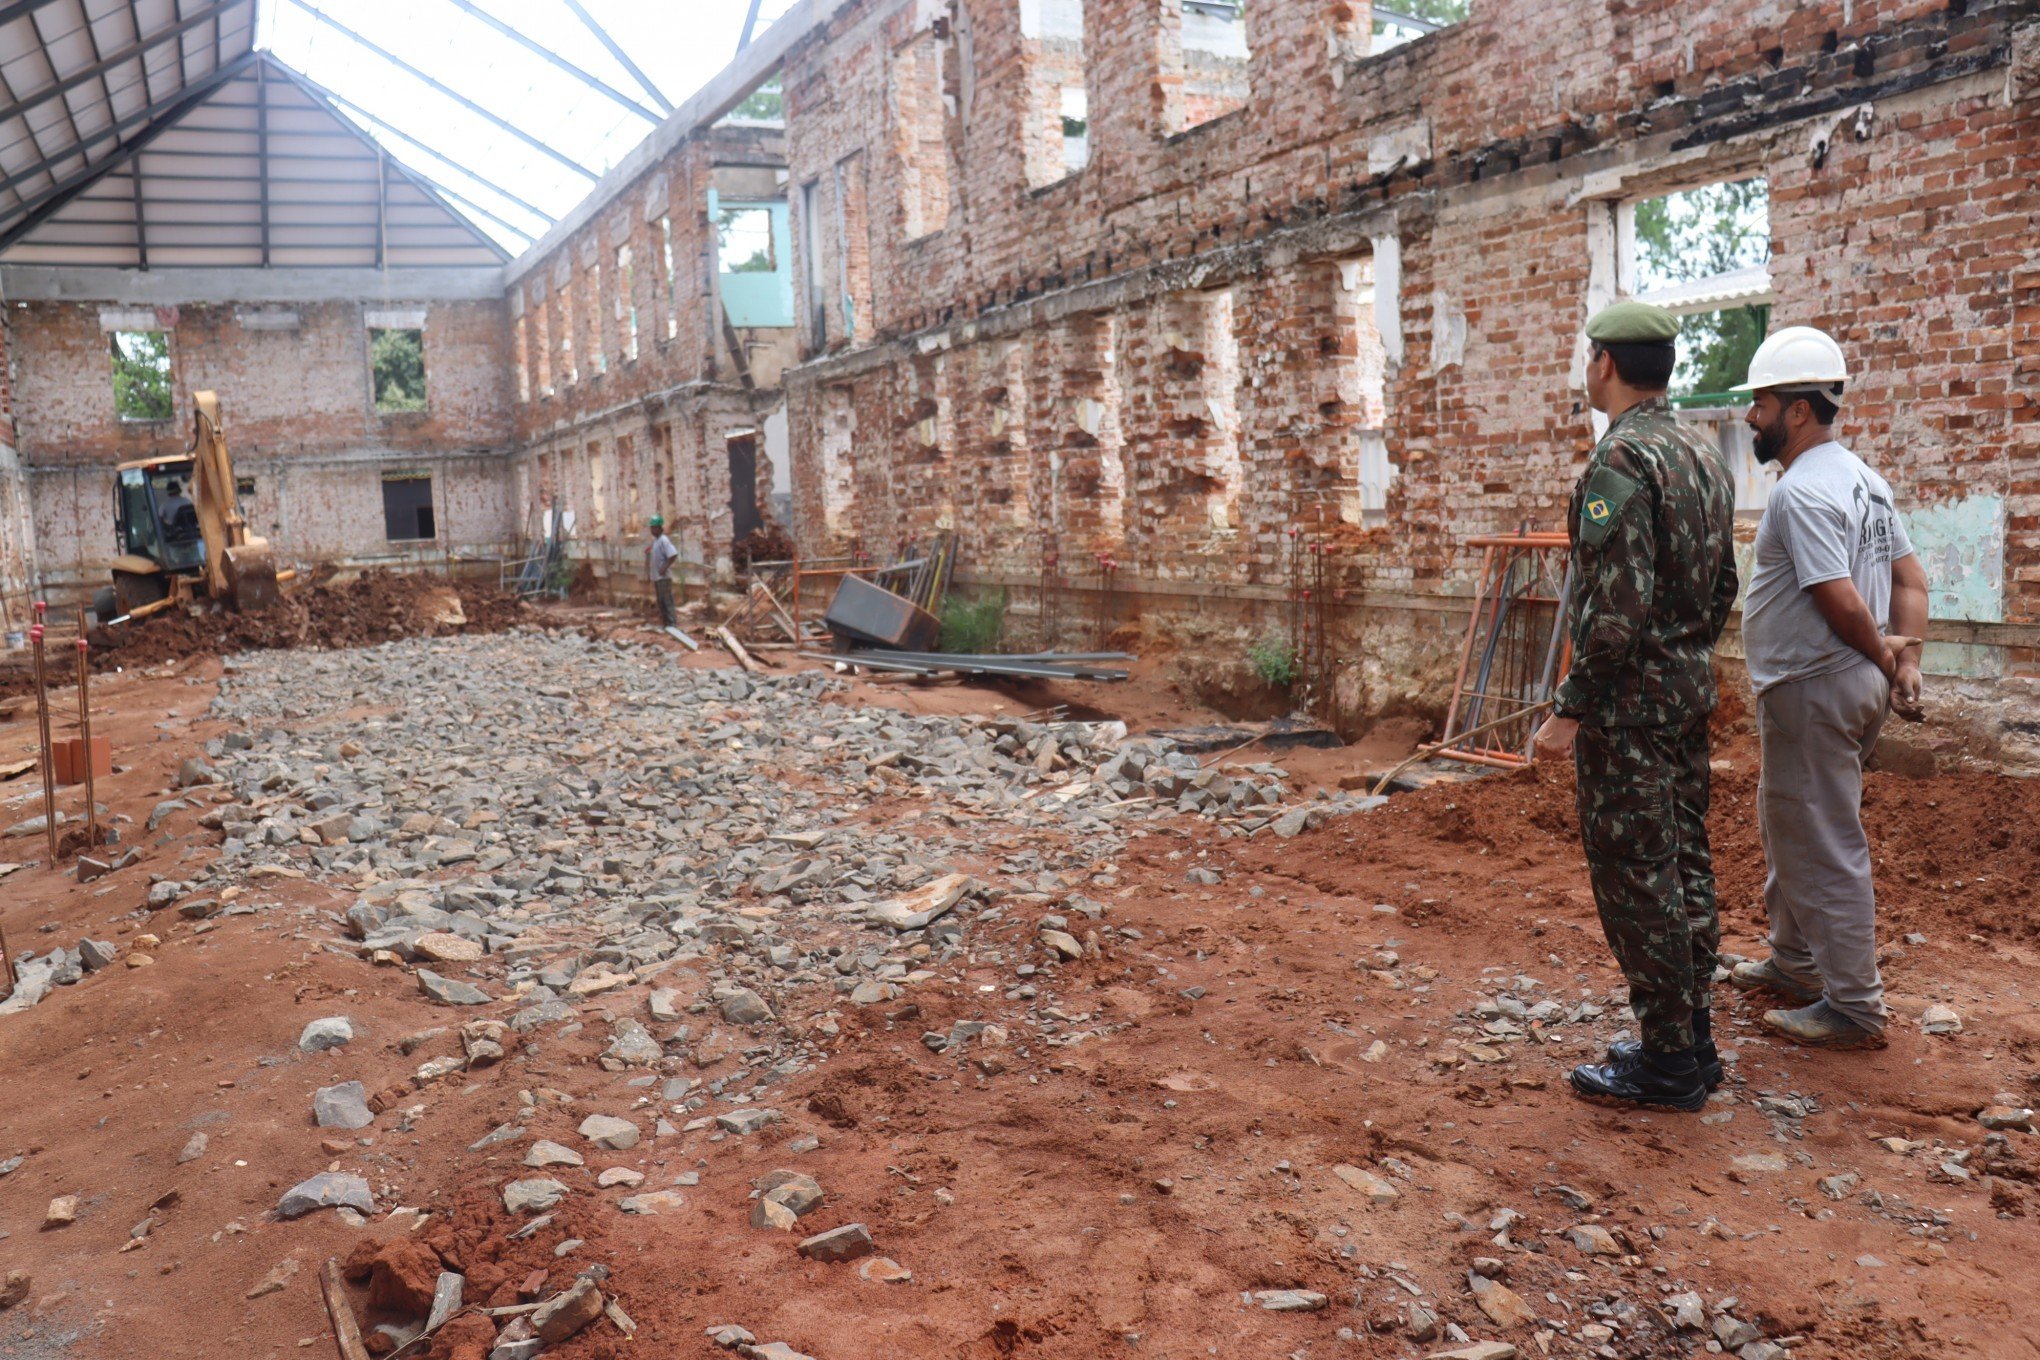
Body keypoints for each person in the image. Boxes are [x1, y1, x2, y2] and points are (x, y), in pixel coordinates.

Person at [1531, 300, 1739, 1113]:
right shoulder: (1704, 455)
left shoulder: (1622, 461)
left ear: (1605, 364)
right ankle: (1695, 1041)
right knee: (1685, 861)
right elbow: (1723, 583)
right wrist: (1683, 654)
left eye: (1589, 358)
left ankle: (1666, 1064)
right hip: (1683, 698)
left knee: (1637, 877)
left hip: (1627, 715)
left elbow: (1612, 614)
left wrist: (1568, 709)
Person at [1725, 326, 1927, 1051]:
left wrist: (1880, 649)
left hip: (1817, 684)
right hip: (1841, 683)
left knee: (1824, 838)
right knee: (1790, 820)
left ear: (1799, 411)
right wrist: (1902, 664)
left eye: (1762, 403)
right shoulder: (1864, 482)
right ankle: (1795, 960)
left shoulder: (1803, 492)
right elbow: (1909, 579)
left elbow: (1841, 601)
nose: (1752, 417)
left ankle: (1853, 1005)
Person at [645, 515, 679, 627]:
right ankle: (667, 625)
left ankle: (672, 624)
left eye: (654, 528)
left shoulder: (664, 540)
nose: (652, 530)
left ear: (660, 528)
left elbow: (673, 555)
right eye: (651, 528)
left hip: (663, 578)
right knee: (661, 602)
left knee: (667, 601)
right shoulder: (656, 541)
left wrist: (664, 567)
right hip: (657, 577)